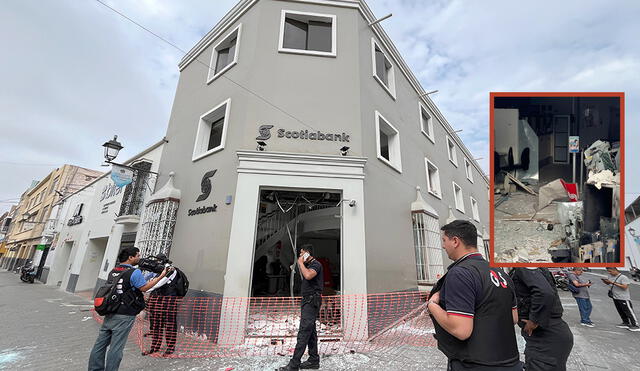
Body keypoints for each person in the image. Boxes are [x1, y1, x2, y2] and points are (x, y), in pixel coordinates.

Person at [428, 220, 522, 370]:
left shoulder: (461, 273)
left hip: (475, 364)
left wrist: (432, 306)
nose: (443, 246)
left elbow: (461, 330)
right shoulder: (499, 273)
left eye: (444, 240)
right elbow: (513, 318)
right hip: (509, 362)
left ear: (455, 241)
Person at [88, 247, 169, 371]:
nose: (139, 258)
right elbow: (144, 288)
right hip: (125, 314)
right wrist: (161, 276)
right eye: (138, 255)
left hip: (110, 311)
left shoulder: (114, 270)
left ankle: (94, 368)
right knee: (116, 348)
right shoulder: (134, 272)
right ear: (130, 257)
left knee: (100, 344)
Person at [510, 267, 573, 371]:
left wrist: (534, 320)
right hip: (549, 334)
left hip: (546, 336)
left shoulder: (524, 266)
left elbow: (544, 293)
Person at [278, 244, 323, 371]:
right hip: (307, 301)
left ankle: (294, 364)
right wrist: (299, 265)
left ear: (308, 253)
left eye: (302, 253)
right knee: (311, 332)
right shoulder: (308, 266)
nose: (300, 256)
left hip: (311, 301)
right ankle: (313, 360)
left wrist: (300, 263)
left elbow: (309, 275)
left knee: (304, 332)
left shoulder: (316, 265)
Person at [142, 254, 181, 357]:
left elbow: (158, 284)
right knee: (155, 324)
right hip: (156, 301)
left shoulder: (170, 270)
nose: (156, 264)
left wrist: (144, 288)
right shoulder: (157, 272)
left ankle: (170, 347)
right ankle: (155, 346)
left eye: (158, 261)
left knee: (169, 325)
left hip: (168, 302)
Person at [602, 267, 639, 331]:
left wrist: (612, 282)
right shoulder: (611, 276)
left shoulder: (623, 277)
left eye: (610, 271)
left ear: (615, 270)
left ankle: (635, 325)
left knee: (628, 311)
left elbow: (625, 287)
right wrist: (606, 281)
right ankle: (625, 322)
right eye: (608, 271)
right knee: (620, 311)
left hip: (623, 298)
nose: (609, 273)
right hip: (615, 297)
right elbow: (609, 283)